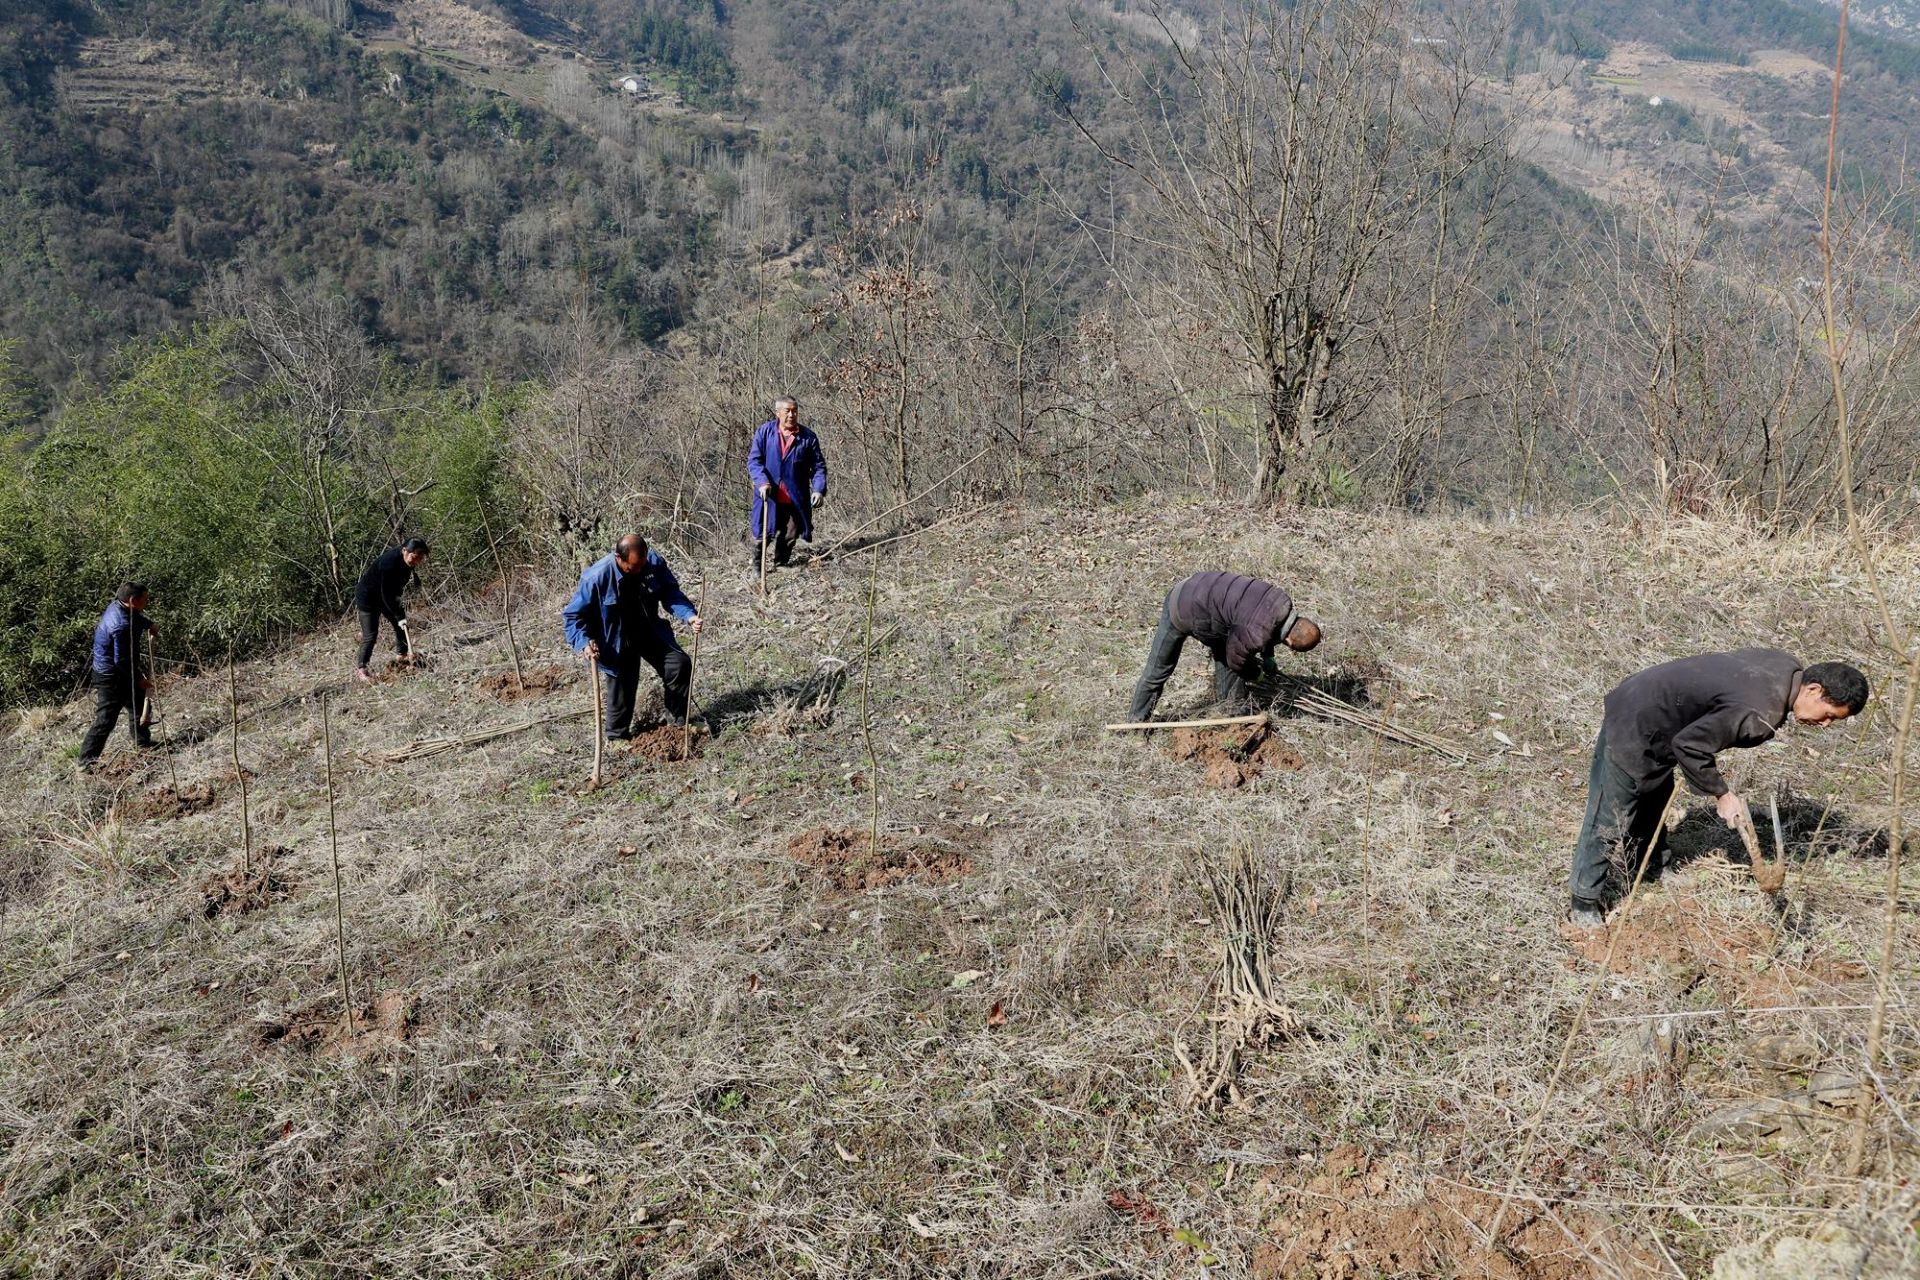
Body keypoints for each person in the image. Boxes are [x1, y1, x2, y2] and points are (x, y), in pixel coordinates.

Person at [1569, 650, 1870, 927]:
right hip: (1637, 716)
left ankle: (1652, 867)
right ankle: (1584, 901)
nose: (1827, 724)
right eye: (1829, 714)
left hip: (1661, 709)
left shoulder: (1787, 668)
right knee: (1611, 813)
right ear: (1814, 689)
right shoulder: (1759, 714)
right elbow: (1689, 745)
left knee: (1655, 795)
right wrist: (1722, 795)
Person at [1128, 572, 1323, 722]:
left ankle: (1231, 708)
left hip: (1202, 585)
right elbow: (1237, 659)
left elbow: (1266, 625)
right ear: (1289, 642)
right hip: (1182, 608)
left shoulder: (1281, 601)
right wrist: (1256, 673)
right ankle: (1136, 722)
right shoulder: (1254, 633)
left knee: (1230, 645)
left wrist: (1267, 656)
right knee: (1159, 669)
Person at [563, 533, 705, 738]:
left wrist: (689, 615)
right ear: (618, 558)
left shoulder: (653, 564)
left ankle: (678, 724)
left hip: (649, 630)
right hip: (615, 640)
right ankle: (617, 737)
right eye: (633, 568)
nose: (638, 570)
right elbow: (573, 617)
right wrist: (584, 643)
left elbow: (670, 593)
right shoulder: (596, 578)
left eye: (642, 565)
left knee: (678, 664)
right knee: (622, 688)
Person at [77, 581, 157, 768]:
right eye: (144, 599)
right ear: (132, 600)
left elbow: (136, 616)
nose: (147, 602)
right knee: (106, 719)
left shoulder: (118, 605)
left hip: (119, 670)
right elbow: (121, 661)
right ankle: (85, 762)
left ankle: (142, 743)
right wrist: (139, 679)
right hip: (110, 676)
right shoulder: (120, 625)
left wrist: (149, 625)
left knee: (138, 704)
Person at [747, 396, 829, 573]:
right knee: (762, 531)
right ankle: (756, 567)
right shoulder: (765, 432)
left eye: (794, 411)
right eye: (787, 411)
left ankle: (781, 563)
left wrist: (818, 489)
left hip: (795, 495)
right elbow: (754, 461)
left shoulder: (808, 437)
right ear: (778, 413)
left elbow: (818, 467)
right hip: (768, 494)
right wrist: (762, 482)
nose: (791, 415)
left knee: (791, 532)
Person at [354, 537, 429, 681]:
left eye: (420, 558)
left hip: (384, 595)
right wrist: (399, 613)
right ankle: (361, 668)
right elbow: (387, 593)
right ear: (404, 551)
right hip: (368, 597)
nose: (416, 561)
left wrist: (400, 614)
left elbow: (397, 585)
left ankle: (402, 655)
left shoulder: (407, 559)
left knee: (401, 625)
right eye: (415, 556)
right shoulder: (388, 563)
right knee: (371, 634)